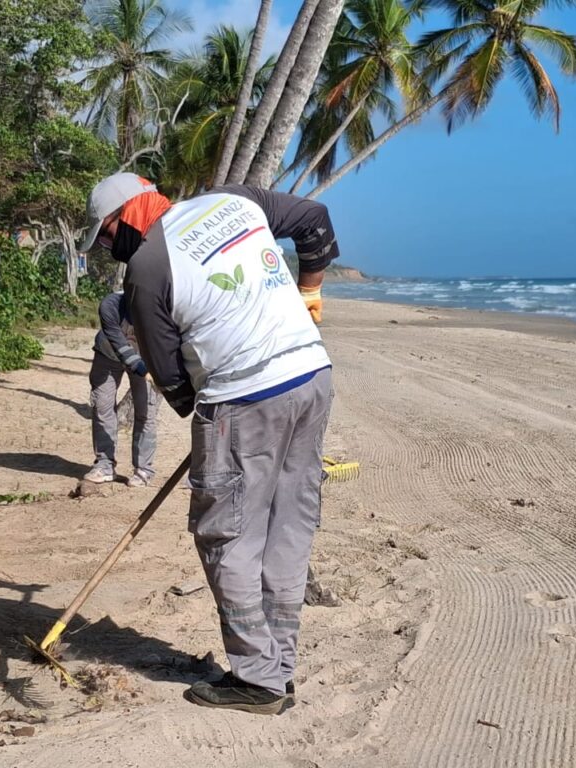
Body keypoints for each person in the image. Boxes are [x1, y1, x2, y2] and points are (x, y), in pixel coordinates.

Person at [80, 172, 337, 715]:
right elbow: (315, 220)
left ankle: (257, 680)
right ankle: (279, 669)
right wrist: (309, 287)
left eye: (104, 236)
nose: (107, 249)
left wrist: (210, 414)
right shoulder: (235, 201)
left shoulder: (147, 270)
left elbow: (170, 380)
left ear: (124, 216)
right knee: (287, 526)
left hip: (245, 398)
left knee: (228, 536)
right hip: (313, 377)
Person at [84, 291, 159, 487]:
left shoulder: (162, 309)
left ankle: (144, 470)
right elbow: (119, 343)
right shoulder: (110, 305)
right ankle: (104, 464)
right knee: (102, 405)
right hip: (107, 355)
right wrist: (144, 370)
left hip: (145, 358)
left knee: (145, 412)